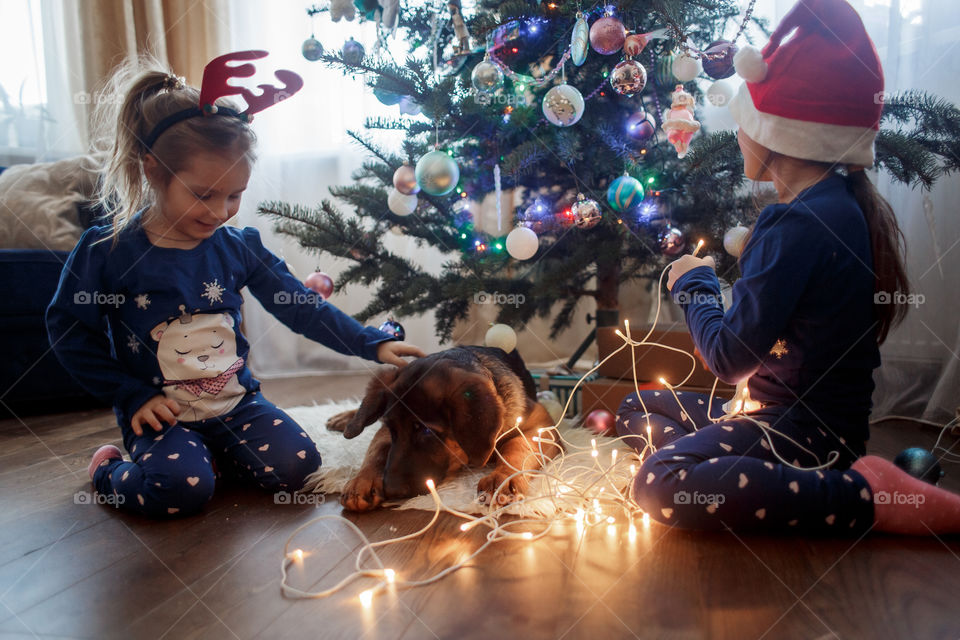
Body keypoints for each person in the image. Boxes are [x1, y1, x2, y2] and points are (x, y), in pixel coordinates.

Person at [616, 0, 960, 535]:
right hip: (783, 415)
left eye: (744, 124)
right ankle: (739, 468)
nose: (737, 137)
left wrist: (695, 284)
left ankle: (865, 497)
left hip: (804, 432)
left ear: (780, 132)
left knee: (659, 480)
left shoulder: (799, 224)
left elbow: (729, 359)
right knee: (635, 404)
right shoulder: (838, 203)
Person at [46, 55, 425, 519]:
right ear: (153, 170)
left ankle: (213, 455)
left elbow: (299, 305)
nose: (221, 210)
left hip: (236, 405)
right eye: (203, 195)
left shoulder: (237, 246)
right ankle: (108, 470)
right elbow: (68, 328)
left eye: (235, 195)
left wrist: (371, 343)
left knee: (298, 467)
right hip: (160, 414)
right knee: (181, 491)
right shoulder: (108, 249)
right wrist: (131, 395)